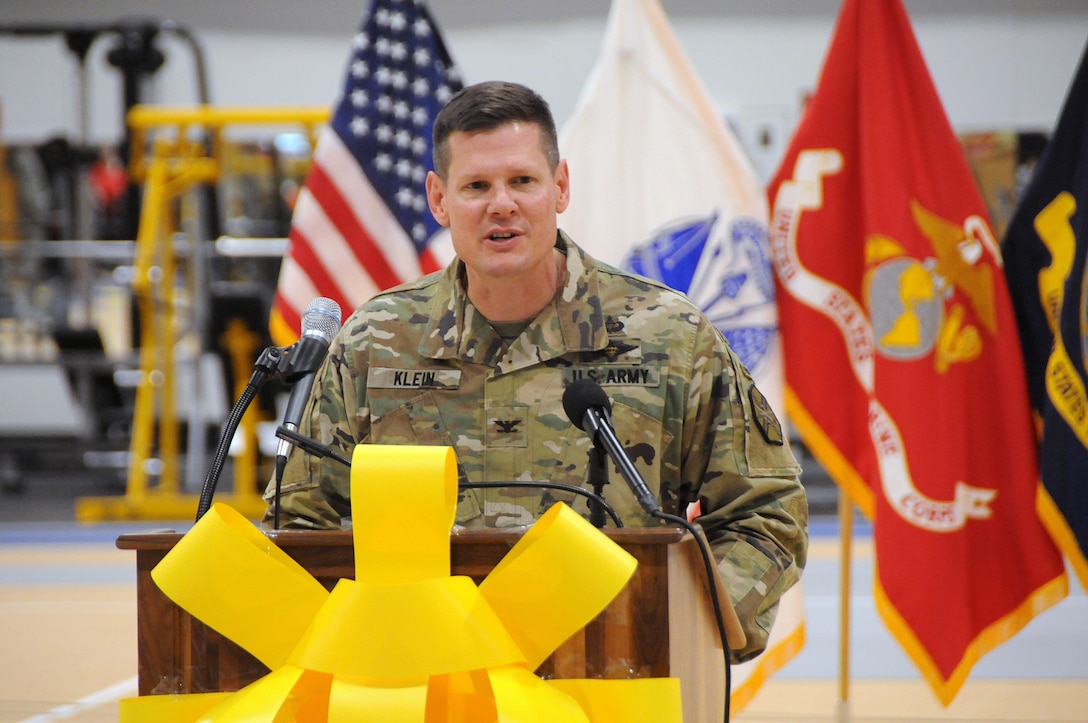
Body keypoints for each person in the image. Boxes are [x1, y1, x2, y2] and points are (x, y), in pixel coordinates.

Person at [264, 80, 807, 662]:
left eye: (522, 181)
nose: (502, 204)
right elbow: (298, 521)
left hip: (614, 680)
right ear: (439, 199)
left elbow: (765, 509)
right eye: (476, 186)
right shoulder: (378, 342)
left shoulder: (668, 335)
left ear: (561, 186)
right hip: (426, 683)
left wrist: (693, 624)